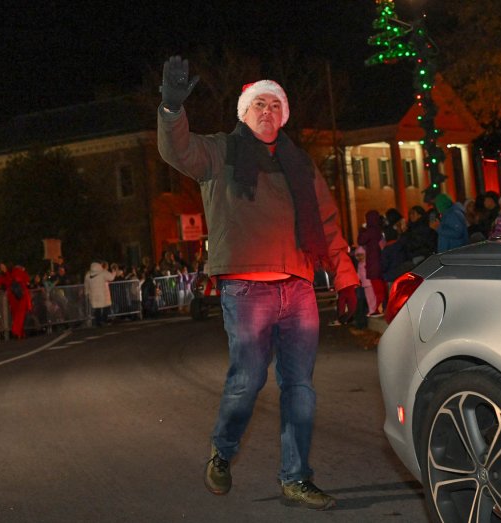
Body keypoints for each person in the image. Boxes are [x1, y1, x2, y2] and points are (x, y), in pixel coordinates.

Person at [157, 55, 357, 510]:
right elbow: (177, 150)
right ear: (243, 114)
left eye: (274, 105)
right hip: (246, 290)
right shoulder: (219, 152)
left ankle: (296, 477)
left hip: (299, 286)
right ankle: (222, 453)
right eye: (258, 105)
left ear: (283, 115)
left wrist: (347, 282)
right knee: (247, 381)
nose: (267, 111)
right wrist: (171, 109)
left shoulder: (299, 163)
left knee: (300, 388)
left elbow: (326, 223)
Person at [357, 210, 385, 317]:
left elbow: (360, 240)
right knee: (379, 287)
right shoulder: (378, 231)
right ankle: (380, 308)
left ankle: (379, 309)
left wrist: (362, 230)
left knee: (377, 288)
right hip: (378, 262)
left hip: (373, 263)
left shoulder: (370, 231)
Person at [84, 260, 117, 327]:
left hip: (93, 295)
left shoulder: (88, 274)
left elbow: (86, 285)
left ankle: (98, 322)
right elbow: (111, 278)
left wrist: (86, 292)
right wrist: (114, 272)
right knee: (106, 306)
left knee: (97, 309)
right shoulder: (103, 272)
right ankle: (104, 320)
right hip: (102, 294)